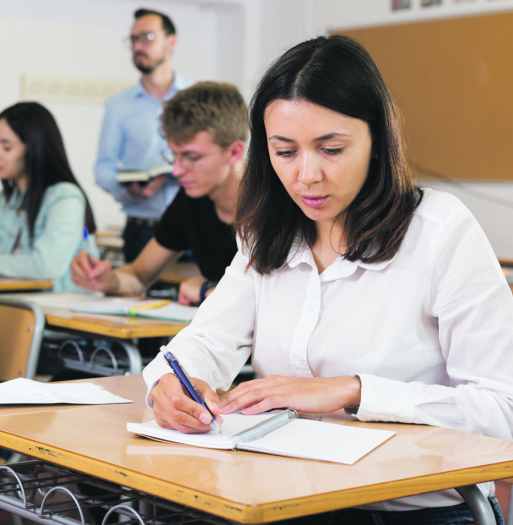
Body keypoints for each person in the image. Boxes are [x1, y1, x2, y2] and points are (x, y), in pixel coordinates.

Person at [146, 36, 512, 523]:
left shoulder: (441, 232)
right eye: (285, 152)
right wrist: (171, 383)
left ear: (377, 141)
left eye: (331, 148)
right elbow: (205, 343)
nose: (306, 176)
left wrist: (356, 389)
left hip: (409, 512)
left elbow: (503, 410)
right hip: (283, 497)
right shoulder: (266, 233)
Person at [72, 82, 245, 305]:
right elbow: (138, 276)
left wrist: (207, 292)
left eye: (191, 157)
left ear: (234, 152)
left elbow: (279, 298)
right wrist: (107, 280)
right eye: (174, 156)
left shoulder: (273, 203)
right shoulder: (191, 200)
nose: (177, 170)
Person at [0, 102, 98, 292]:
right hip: (14, 305)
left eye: (6, 147)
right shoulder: (4, 201)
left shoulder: (65, 198)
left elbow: (46, 266)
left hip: (56, 312)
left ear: (34, 149)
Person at [95, 8, 190, 262]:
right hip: (142, 229)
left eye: (147, 37)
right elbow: (103, 168)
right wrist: (128, 190)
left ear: (171, 42)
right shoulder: (118, 106)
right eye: (134, 39)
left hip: (193, 225)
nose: (138, 45)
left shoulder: (195, 98)